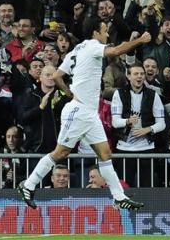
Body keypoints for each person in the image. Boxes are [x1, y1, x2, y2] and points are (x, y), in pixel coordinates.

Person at [18, 17, 150, 210]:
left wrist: (71, 93)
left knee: (105, 155)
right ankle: (28, 185)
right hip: (79, 112)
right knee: (60, 152)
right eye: (105, 30)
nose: (106, 34)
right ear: (95, 32)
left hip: (88, 112)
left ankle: (118, 196)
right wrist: (140, 40)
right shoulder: (92, 46)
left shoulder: (77, 49)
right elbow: (115, 51)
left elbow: (57, 76)